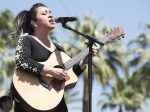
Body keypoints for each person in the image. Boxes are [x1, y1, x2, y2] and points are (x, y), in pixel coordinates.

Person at [12, 3, 98, 112]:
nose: (50, 15)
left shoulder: (59, 48)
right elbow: (22, 61)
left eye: (50, 13)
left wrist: (85, 60)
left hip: (56, 103)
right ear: (33, 22)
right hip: (31, 98)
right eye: (44, 13)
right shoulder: (27, 40)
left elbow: (70, 76)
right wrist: (51, 70)